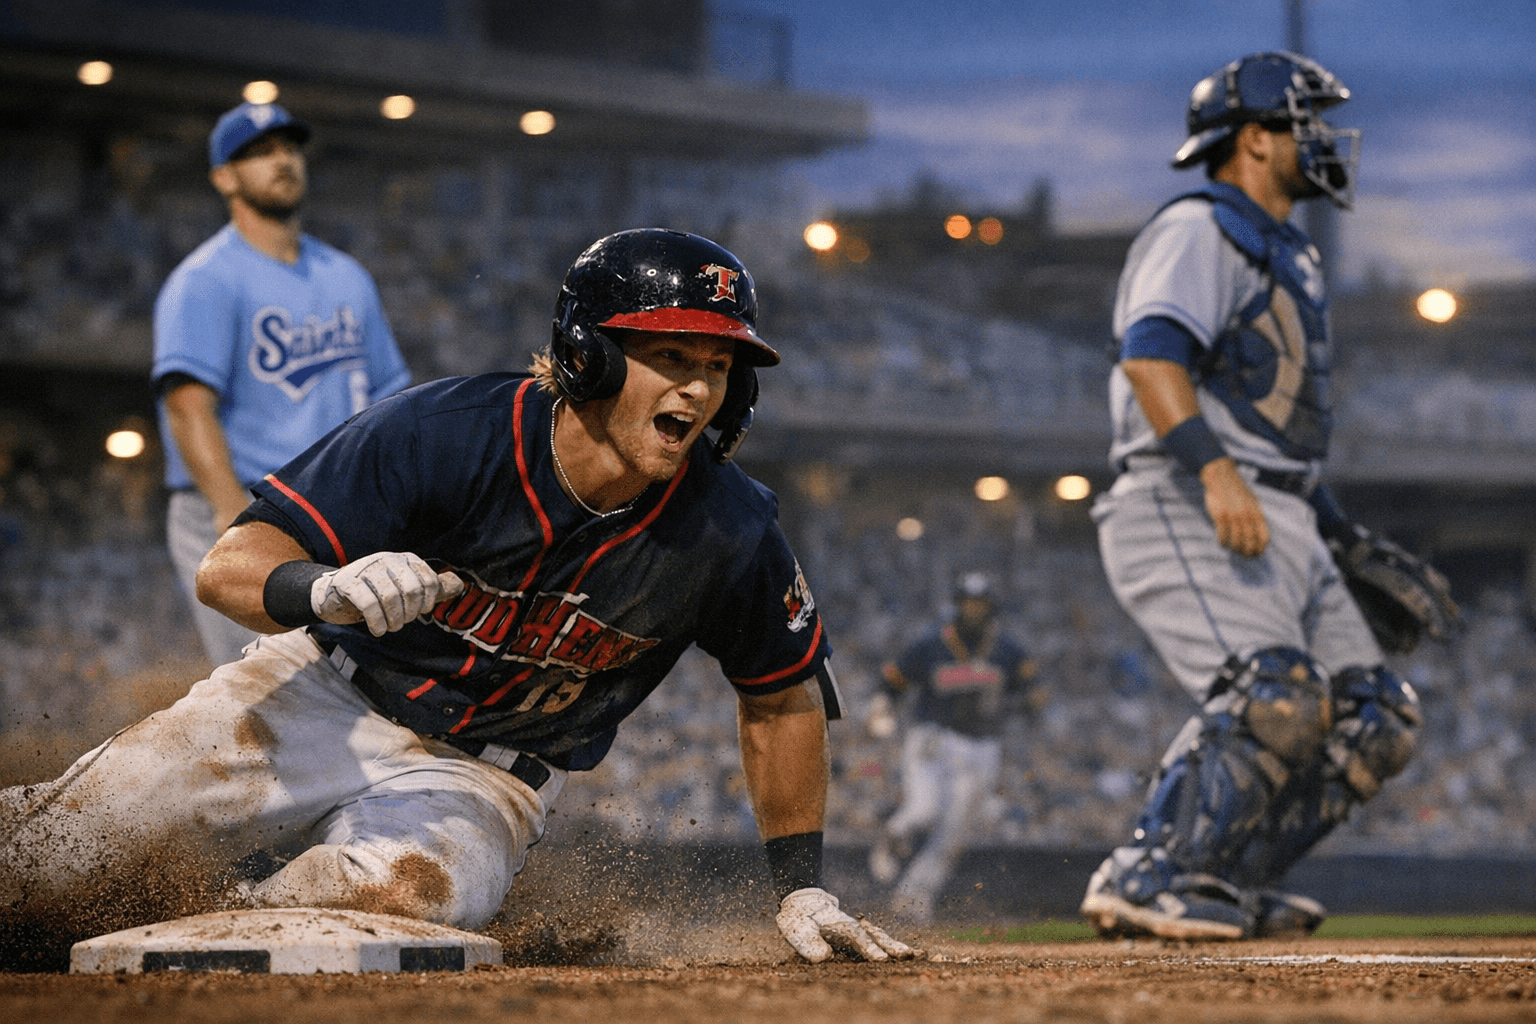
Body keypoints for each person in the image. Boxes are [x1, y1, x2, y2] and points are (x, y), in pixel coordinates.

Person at [0, 228, 915, 969]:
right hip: (321, 695)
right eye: (670, 356)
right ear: (587, 355)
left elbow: (782, 694)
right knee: (47, 867)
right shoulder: (447, 432)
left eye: (718, 369)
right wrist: (321, 585)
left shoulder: (732, 527)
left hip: (485, 771)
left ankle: (204, 914)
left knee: (389, 909)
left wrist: (801, 885)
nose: (698, 388)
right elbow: (229, 564)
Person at [1079, 52, 1425, 941]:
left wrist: (1337, 531)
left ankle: (1225, 878)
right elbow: (1151, 355)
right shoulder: (1202, 224)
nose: (1323, 139)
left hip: (1278, 505)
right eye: (1305, 121)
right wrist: (1215, 470)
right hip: (1186, 494)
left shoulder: (1289, 247)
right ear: (1256, 139)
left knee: (1374, 717)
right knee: (1272, 692)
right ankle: (1149, 871)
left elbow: (1277, 427)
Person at [153, 101, 411, 667]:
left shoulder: (346, 276)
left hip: (331, 507)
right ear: (224, 177)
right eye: (259, 152)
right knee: (268, 686)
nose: (282, 160)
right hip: (242, 503)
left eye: (289, 148)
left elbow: (390, 401)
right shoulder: (206, 280)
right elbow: (187, 408)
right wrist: (230, 518)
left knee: (349, 687)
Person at [866, 571, 1037, 923]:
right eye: (968, 604)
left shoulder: (1007, 650)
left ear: (991, 608)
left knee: (953, 833)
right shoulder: (930, 645)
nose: (973, 611)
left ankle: (913, 897)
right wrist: (881, 708)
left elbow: (1035, 691)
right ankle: (891, 833)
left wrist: (1023, 704)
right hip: (933, 737)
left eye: (980, 604)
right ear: (957, 606)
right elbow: (891, 682)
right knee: (925, 810)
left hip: (983, 746)